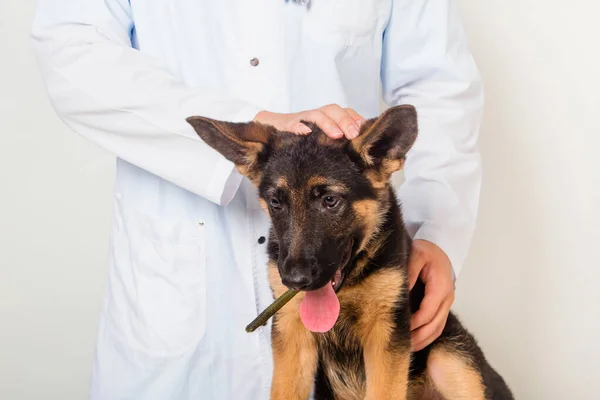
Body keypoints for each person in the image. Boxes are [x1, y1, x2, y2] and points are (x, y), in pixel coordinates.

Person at [31, 0, 483, 399]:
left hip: (357, 271)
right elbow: (72, 50)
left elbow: (437, 85)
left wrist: (435, 232)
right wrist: (253, 124)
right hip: (182, 275)